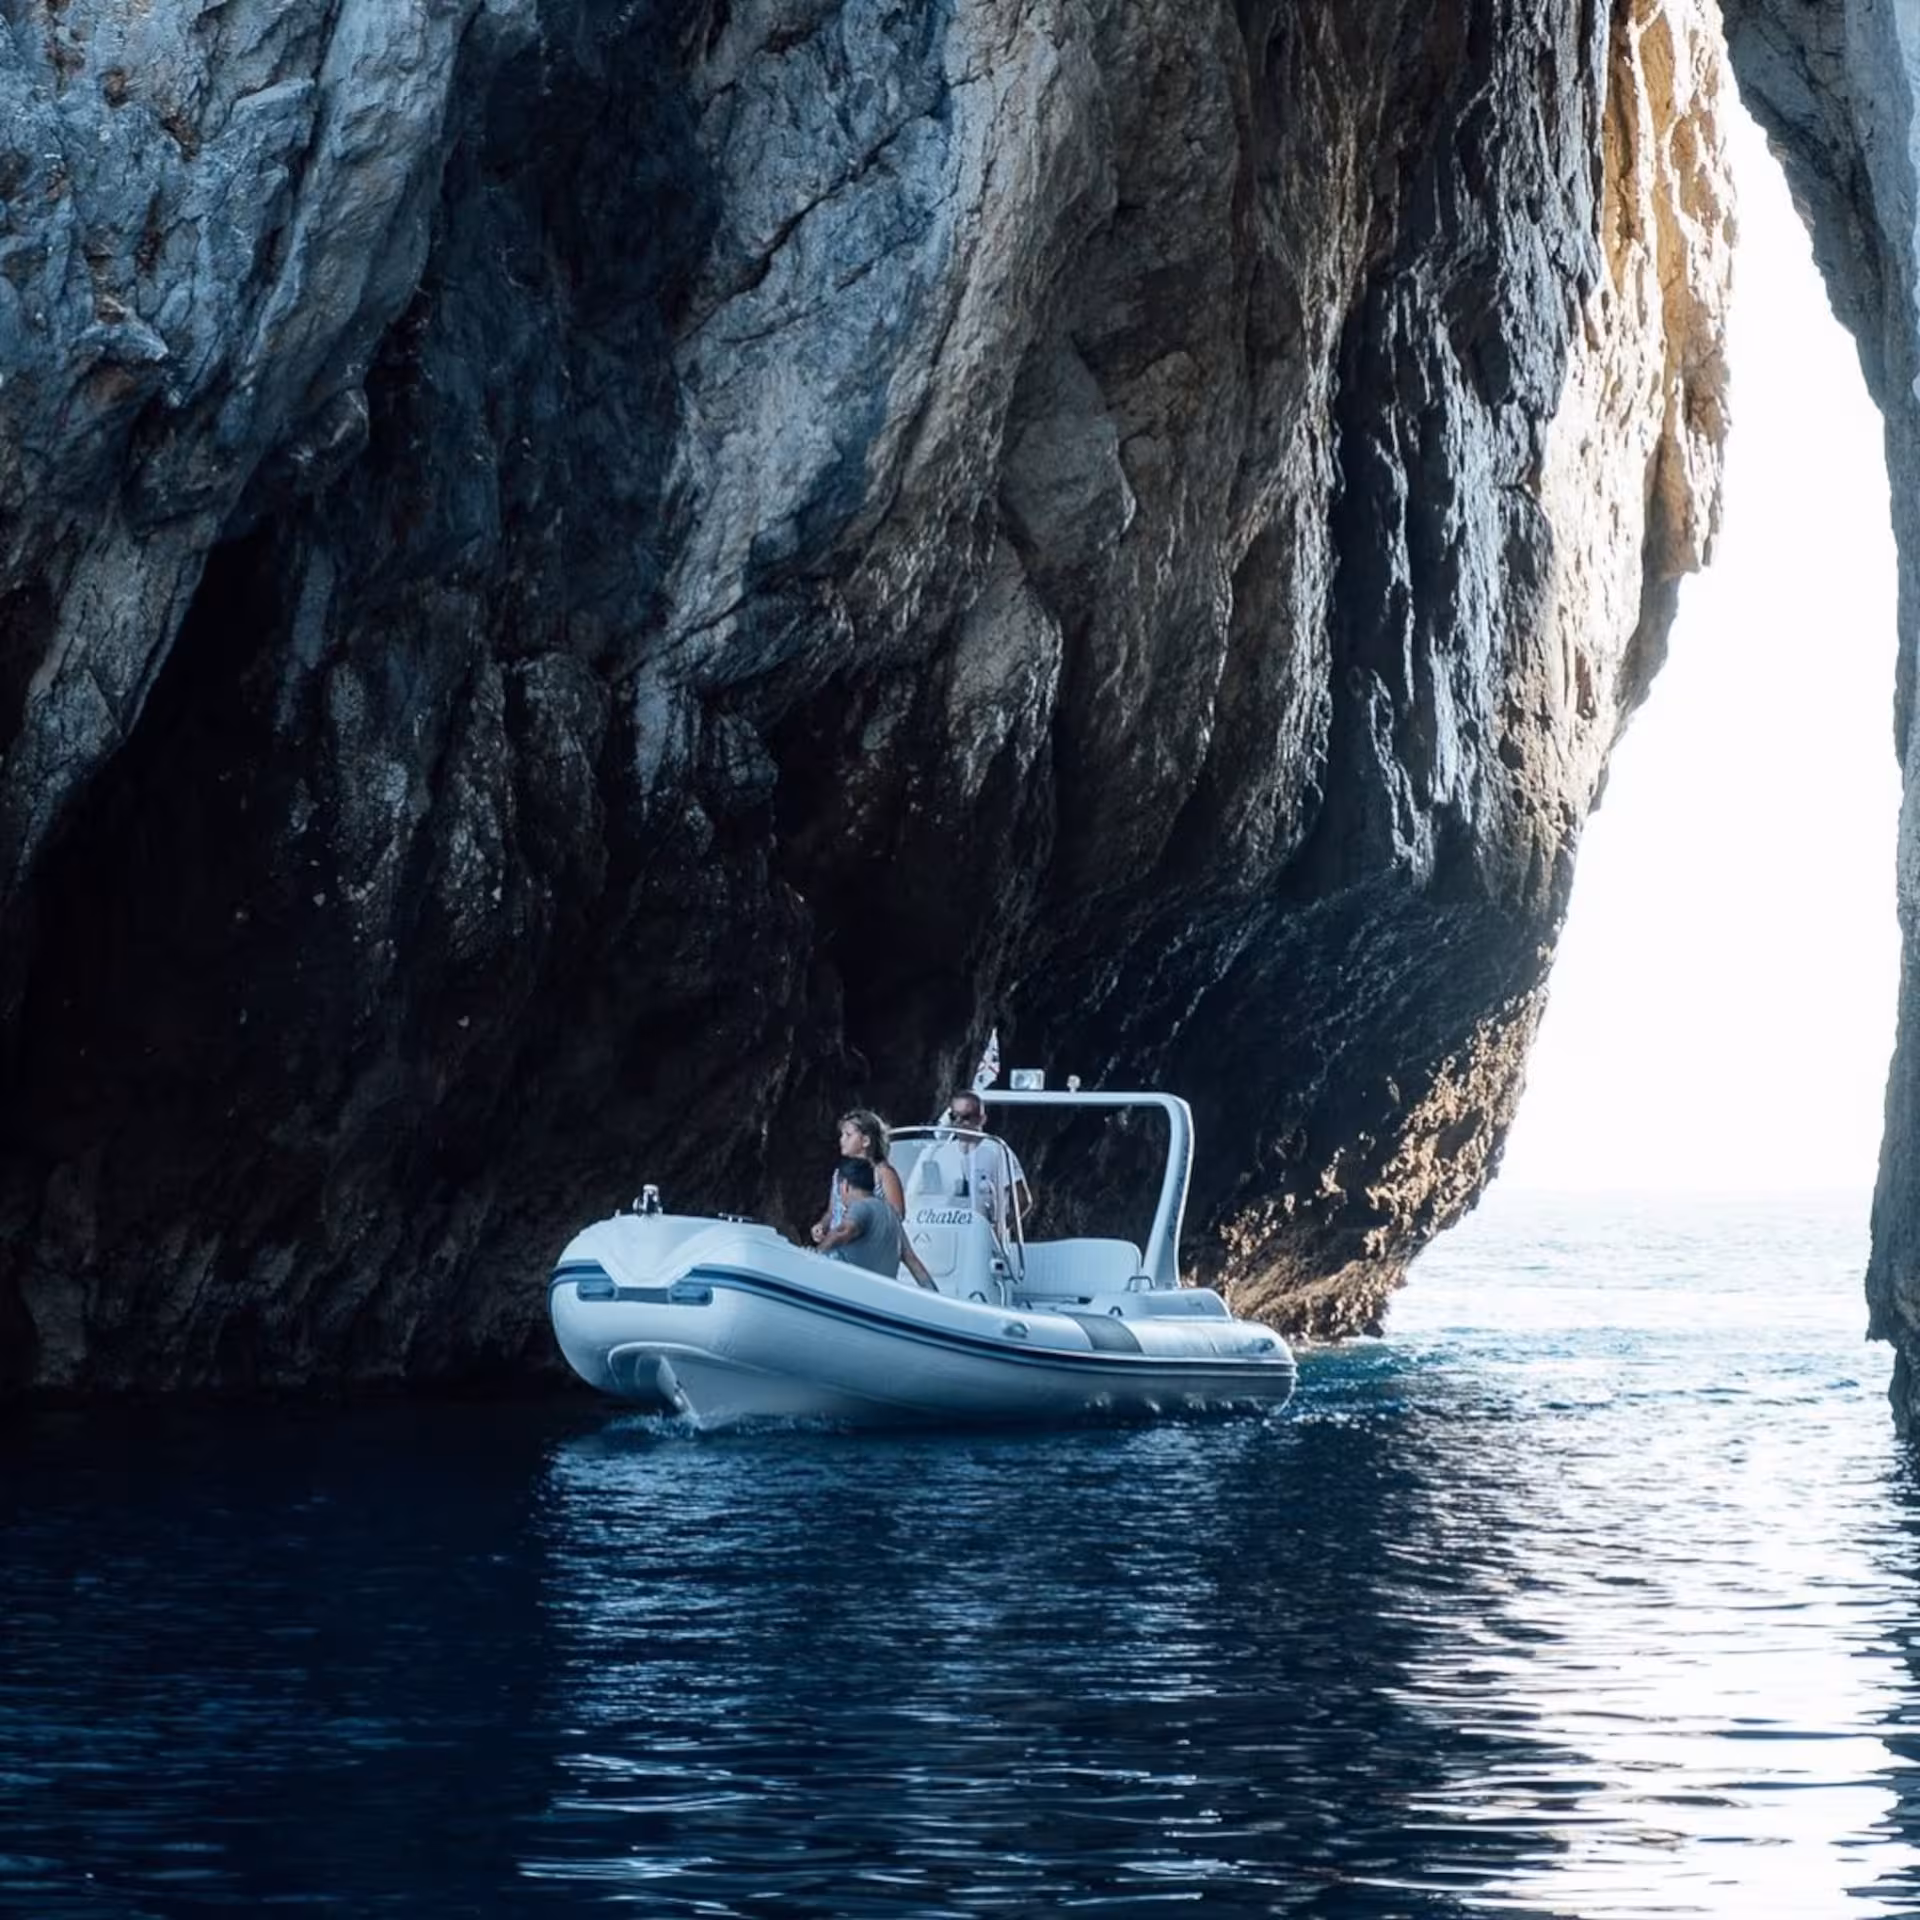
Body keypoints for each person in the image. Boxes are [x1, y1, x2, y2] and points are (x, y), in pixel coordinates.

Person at [818, 1158, 934, 1286]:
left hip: (855, 1295)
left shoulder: (860, 1207)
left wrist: (815, 1256)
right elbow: (913, 1262)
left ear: (844, 1185)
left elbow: (843, 1232)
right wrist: (935, 1297)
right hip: (881, 1297)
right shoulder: (891, 1215)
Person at [810, 1109, 905, 1245]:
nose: (841, 1140)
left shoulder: (884, 1173)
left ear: (866, 1141)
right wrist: (822, 1225)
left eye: (848, 1135)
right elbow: (832, 1212)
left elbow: (897, 1216)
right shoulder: (839, 1173)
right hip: (837, 1248)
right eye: (842, 1135)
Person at [942, 1089, 1032, 1228]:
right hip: (949, 1233)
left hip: (983, 1239)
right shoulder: (942, 1152)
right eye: (954, 1116)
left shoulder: (997, 1151)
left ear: (982, 1119)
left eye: (966, 1117)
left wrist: (998, 1230)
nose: (959, 1122)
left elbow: (1023, 1200)